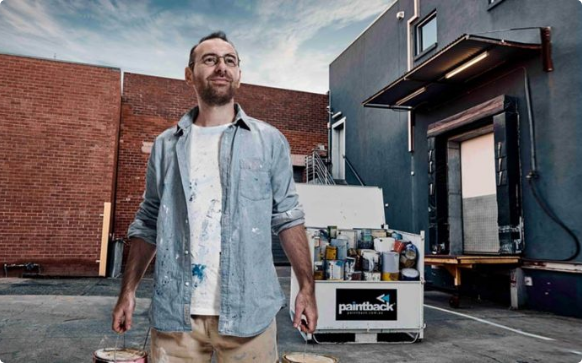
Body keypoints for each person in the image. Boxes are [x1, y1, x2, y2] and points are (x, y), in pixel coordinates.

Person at [111, 31, 317, 363]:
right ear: (189, 74)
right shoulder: (166, 145)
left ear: (239, 74)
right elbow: (148, 222)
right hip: (176, 320)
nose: (221, 66)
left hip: (251, 316)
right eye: (210, 59)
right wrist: (128, 291)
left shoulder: (269, 141)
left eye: (229, 60)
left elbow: (288, 217)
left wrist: (307, 289)